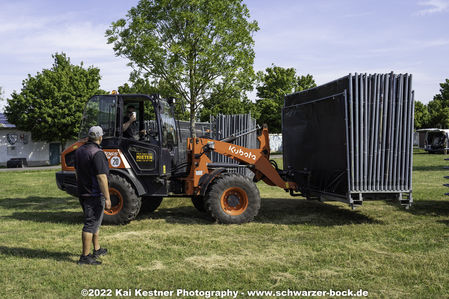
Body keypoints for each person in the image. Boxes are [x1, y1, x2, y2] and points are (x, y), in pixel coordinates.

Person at [75, 126, 112, 265]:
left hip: (83, 192)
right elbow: (102, 177)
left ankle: (97, 249)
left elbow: (77, 172)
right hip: (94, 194)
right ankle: (85, 257)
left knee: (95, 222)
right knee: (90, 224)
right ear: (100, 137)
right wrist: (107, 198)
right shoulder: (98, 153)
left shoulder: (79, 151)